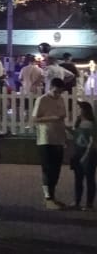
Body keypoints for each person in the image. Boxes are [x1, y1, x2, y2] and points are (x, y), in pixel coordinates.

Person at [32, 78, 68, 209]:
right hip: (46, 139)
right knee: (48, 168)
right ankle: (48, 197)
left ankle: (52, 196)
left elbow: (62, 118)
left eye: (60, 92)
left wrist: (65, 137)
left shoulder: (61, 99)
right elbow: (35, 119)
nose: (57, 94)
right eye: (55, 91)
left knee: (56, 169)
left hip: (58, 138)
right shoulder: (42, 100)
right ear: (50, 87)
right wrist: (52, 118)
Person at [70, 101, 96, 210]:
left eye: (80, 108)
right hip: (78, 153)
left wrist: (85, 156)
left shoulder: (90, 124)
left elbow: (92, 141)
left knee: (89, 178)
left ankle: (88, 203)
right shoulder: (80, 123)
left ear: (85, 111)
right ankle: (78, 201)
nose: (78, 111)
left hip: (88, 154)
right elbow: (76, 136)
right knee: (79, 178)